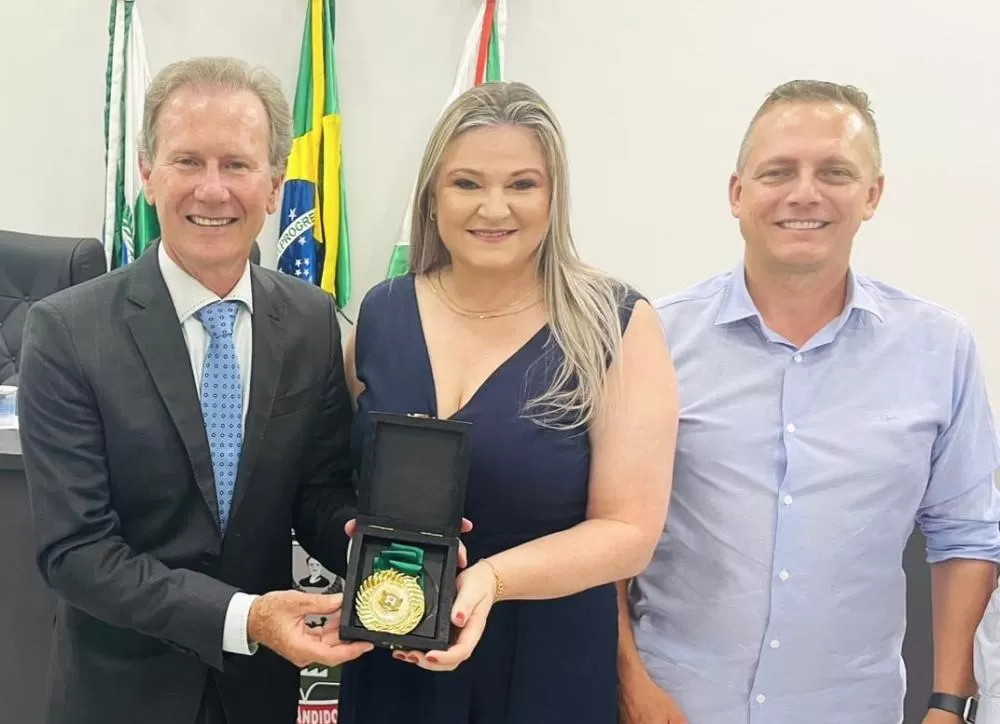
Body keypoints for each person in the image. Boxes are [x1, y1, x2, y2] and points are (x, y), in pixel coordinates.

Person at [618, 79, 1000, 724]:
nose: (804, 193)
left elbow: (965, 534)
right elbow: (610, 531)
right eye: (778, 171)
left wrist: (949, 701)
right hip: (675, 704)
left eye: (835, 171)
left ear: (872, 194)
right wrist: (630, 683)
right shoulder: (652, 338)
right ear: (737, 193)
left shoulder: (939, 347)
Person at [17, 57, 373, 724]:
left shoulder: (308, 320)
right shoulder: (66, 332)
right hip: (121, 697)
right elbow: (77, 553)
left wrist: (376, 551)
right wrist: (247, 618)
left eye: (237, 165)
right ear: (148, 173)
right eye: (188, 162)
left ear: (274, 186)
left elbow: (319, 491)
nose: (213, 191)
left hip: (259, 696)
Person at [335, 80, 678, 724]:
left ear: (554, 199)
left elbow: (630, 533)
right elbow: (343, 478)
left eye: (522, 184)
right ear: (433, 198)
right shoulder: (381, 313)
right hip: (393, 649)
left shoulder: (615, 324)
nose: (495, 208)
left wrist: (490, 580)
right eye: (467, 183)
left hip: (543, 662)